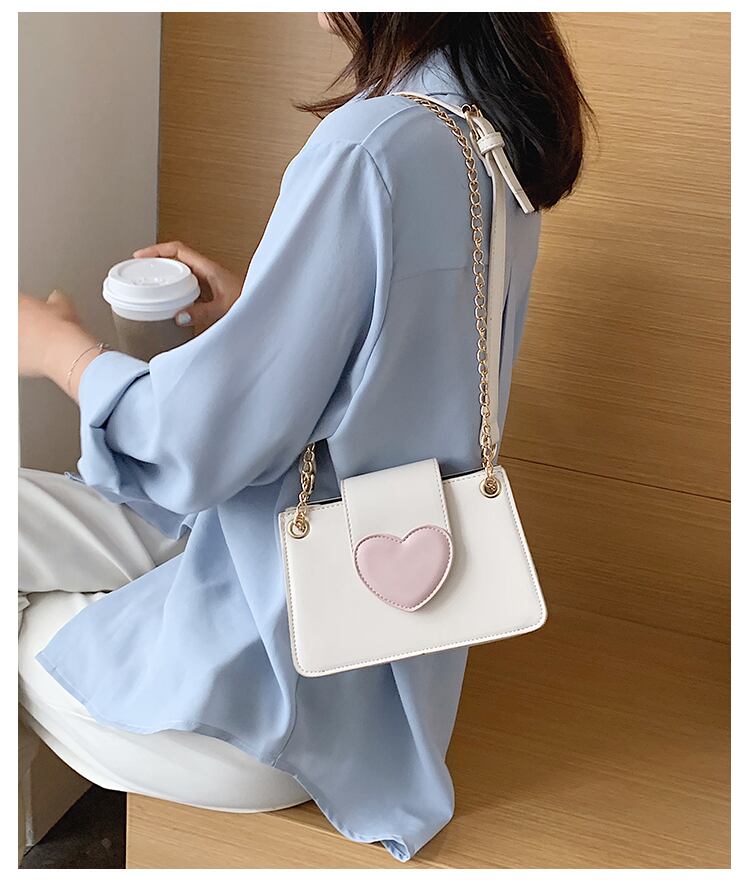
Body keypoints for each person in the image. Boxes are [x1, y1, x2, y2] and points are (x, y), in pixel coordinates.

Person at [18, 12, 591, 862]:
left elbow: (197, 445)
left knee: (22, 609)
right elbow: (396, 371)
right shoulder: (486, 134)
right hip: (385, 667)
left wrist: (61, 353)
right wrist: (263, 305)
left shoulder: (367, 148)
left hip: (274, 696)